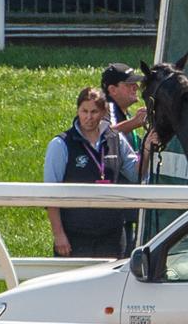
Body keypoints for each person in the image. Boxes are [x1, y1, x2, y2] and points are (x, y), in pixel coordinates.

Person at [43, 87, 140, 258]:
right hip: (75, 235)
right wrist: (59, 235)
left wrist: (147, 148)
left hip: (113, 234)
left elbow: (135, 174)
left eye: (94, 111)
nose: (88, 117)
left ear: (103, 112)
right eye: (84, 111)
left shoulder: (116, 139)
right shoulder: (61, 144)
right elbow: (50, 195)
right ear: (77, 111)